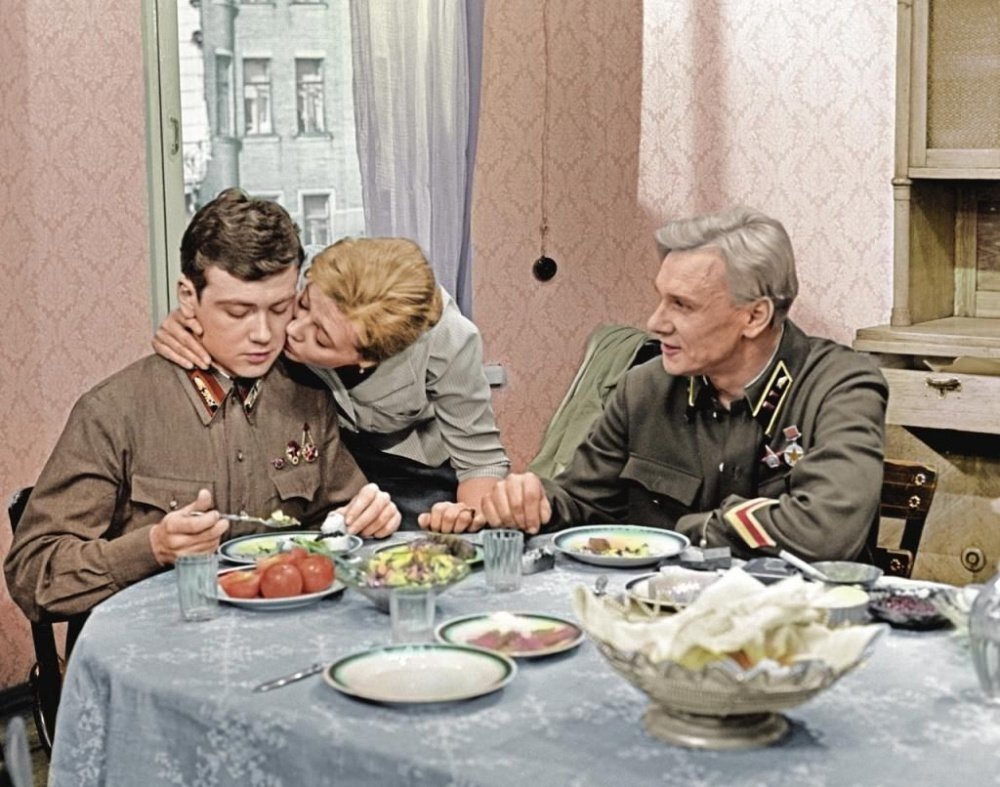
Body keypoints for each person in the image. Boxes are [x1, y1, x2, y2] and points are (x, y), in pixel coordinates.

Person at [4, 189, 400, 622]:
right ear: (188, 298)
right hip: (157, 642)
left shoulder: (307, 396)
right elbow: (32, 576)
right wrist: (151, 548)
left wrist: (366, 518)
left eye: (279, 308)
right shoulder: (113, 412)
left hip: (288, 634)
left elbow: (341, 521)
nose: (264, 334)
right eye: (238, 312)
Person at [481, 207, 888, 562]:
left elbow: (825, 533)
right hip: (656, 615)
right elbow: (583, 504)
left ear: (754, 317)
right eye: (661, 299)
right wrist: (532, 503)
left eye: (682, 305)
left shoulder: (840, 387)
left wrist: (686, 534)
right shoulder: (643, 389)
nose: (655, 323)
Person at [153, 236, 510, 533]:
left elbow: (480, 464)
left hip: (411, 470)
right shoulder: (293, 283)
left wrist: (465, 522)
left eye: (321, 339)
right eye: (303, 305)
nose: (294, 330)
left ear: (367, 359)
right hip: (316, 464)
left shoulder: (448, 341)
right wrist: (190, 324)